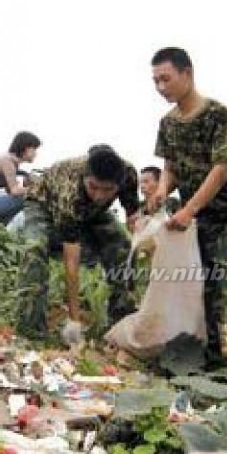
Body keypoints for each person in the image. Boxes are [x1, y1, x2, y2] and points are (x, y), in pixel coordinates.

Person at [148, 46, 227, 388]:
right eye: (155, 81)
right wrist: (162, 191)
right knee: (206, 295)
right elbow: (171, 166)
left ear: (187, 74)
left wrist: (189, 209)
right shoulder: (168, 123)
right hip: (198, 224)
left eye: (166, 79)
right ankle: (216, 365)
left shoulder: (217, 114)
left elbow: (222, 167)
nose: (160, 87)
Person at [16, 145, 139, 342]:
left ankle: (121, 322)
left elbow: (134, 219)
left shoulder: (129, 175)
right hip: (43, 202)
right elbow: (71, 260)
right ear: (85, 178)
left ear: (119, 183)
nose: (99, 195)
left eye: (108, 190)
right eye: (93, 187)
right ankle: (31, 331)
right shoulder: (70, 190)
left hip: (92, 211)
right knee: (35, 249)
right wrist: (74, 319)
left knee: (122, 246)